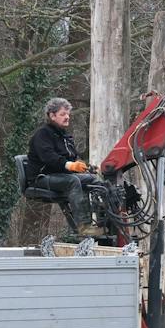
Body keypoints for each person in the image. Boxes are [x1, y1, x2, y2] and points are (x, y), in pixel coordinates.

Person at [28, 98, 105, 236]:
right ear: (52, 115)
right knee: (73, 181)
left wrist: (89, 168)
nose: (67, 117)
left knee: (92, 180)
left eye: (68, 114)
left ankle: (102, 222)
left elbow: (73, 158)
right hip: (41, 177)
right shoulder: (42, 134)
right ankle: (83, 227)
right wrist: (70, 165)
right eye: (63, 114)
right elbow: (49, 157)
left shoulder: (64, 136)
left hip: (60, 175)